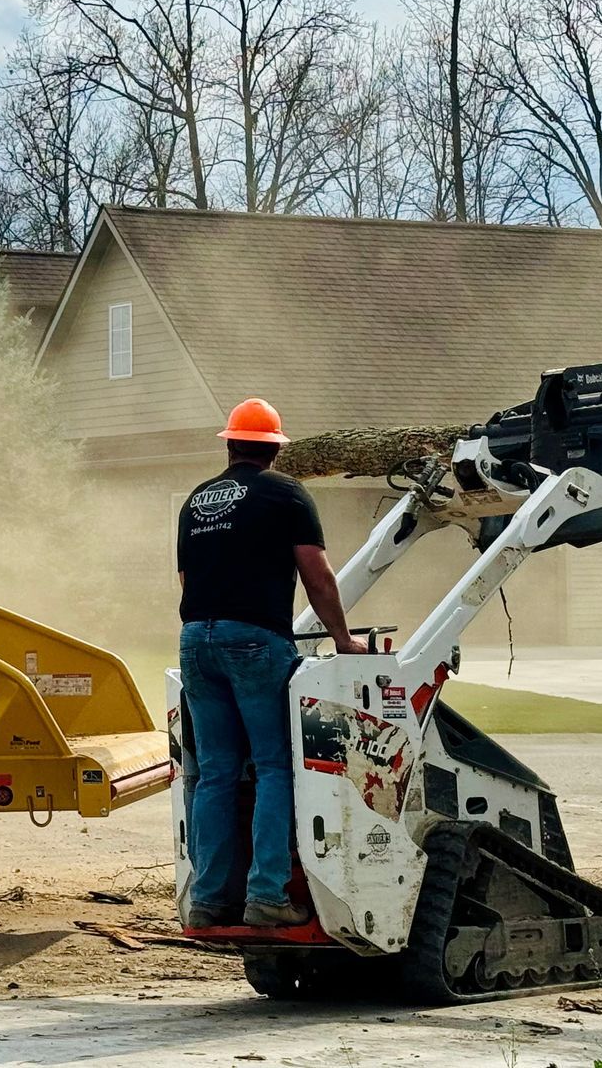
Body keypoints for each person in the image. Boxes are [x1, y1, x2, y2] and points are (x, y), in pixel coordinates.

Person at [177, 397, 365, 930]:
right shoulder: (285, 493)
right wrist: (343, 639)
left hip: (195, 639)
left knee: (213, 772)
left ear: (231, 444)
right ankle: (266, 893)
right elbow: (317, 573)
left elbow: (187, 584)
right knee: (273, 766)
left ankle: (209, 898)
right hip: (255, 640)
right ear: (274, 450)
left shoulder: (197, 499)